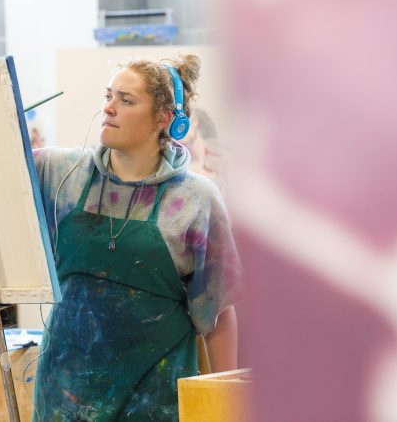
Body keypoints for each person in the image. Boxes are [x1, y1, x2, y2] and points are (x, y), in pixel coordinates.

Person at [31, 54, 241, 421]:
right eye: (108, 96)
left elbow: (218, 312)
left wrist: (224, 403)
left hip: (153, 399)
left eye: (126, 101)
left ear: (164, 120)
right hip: (63, 397)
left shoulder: (195, 200)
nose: (108, 109)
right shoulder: (60, 172)